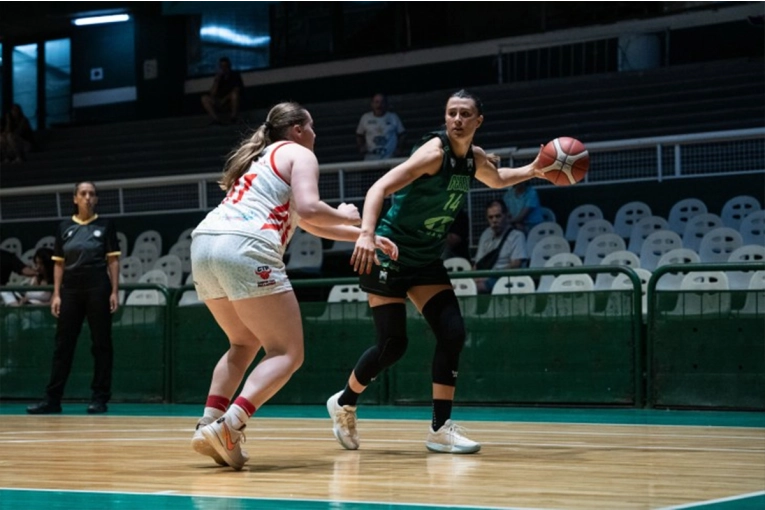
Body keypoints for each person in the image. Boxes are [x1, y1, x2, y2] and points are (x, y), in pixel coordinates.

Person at [327, 89, 547, 454]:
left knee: (453, 333)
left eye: (465, 114)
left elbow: (496, 177)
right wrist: (366, 234)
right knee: (393, 345)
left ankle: (440, 428)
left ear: (479, 121)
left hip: (426, 258)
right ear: (445, 119)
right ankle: (345, 401)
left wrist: (534, 169)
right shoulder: (433, 154)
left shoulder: (473, 159)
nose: (457, 119)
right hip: (390, 252)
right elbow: (379, 187)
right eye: (451, 113)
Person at [189, 102, 398, 470]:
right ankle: (230, 426)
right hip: (245, 245)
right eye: (312, 127)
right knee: (287, 352)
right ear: (298, 129)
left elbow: (309, 222)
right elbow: (313, 208)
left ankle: (208, 422)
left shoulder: (259, 158)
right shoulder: (299, 153)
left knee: (242, 342)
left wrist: (364, 235)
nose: (315, 134)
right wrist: (349, 215)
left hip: (204, 244)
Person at [27, 181, 121, 415]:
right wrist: (56, 294)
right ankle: (52, 399)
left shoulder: (105, 226)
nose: (88, 197)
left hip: (98, 288)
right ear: (75, 198)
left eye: (92, 194)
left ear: (96, 199)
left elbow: (113, 261)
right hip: (70, 291)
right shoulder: (64, 227)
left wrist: (114, 291)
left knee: (101, 345)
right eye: (83, 193)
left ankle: (99, 398)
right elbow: (58, 264)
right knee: (63, 346)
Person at [472, 200, 528, 294]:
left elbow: (516, 264)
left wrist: (490, 276)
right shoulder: (485, 234)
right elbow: (477, 264)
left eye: (498, 216)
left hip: (506, 279)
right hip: (484, 277)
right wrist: (474, 278)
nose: (494, 220)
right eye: (491, 217)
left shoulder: (517, 236)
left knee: (479, 287)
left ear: (506, 216)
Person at [356, 93, 406, 160]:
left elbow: (402, 134)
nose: (379, 105)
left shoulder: (393, 117)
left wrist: (399, 149)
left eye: (382, 102)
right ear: (372, 104)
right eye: (376, 102)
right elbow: (359, 134)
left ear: (386, 104)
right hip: (370, 158)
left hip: (390, 158)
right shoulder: (365, 118)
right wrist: (361, 147)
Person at [201, 57, 244, 125]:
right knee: (204, 98)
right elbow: (212, 93)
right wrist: (217, 81)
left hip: (230, 101)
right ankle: (215, 119)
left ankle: (233, 117)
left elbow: (237, 89)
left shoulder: (235, 75)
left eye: (225, 66)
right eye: (222, 66)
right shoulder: (219, 78)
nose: (224, 68)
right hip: (219, 101)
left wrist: (225, 99)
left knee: (234, 95)